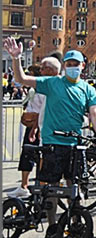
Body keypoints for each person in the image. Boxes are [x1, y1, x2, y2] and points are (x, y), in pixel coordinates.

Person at [3, 40, 96, 238]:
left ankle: (75, 221)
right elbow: (21, 78)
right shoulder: (52, 83)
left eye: (77, 64)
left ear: (82, 66)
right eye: (70, 64)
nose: (73, 67)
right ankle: (51, 225)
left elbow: (95, 113)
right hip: (52, 143)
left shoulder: (88, 88)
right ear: (64, 66)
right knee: (51, 186)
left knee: (76, 185)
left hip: (76, 144)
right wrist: (16, 58)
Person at [10, 58, 61, 199]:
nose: (40, 71)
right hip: (38, 125)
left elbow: (44, 109)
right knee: (30, 155)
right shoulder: (47, 84)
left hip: (42, 127)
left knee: (42, 159)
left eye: (43, 68)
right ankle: (27, 186)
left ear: (50, 70)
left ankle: (42, 191)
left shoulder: (50, 86)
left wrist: (35, 127)